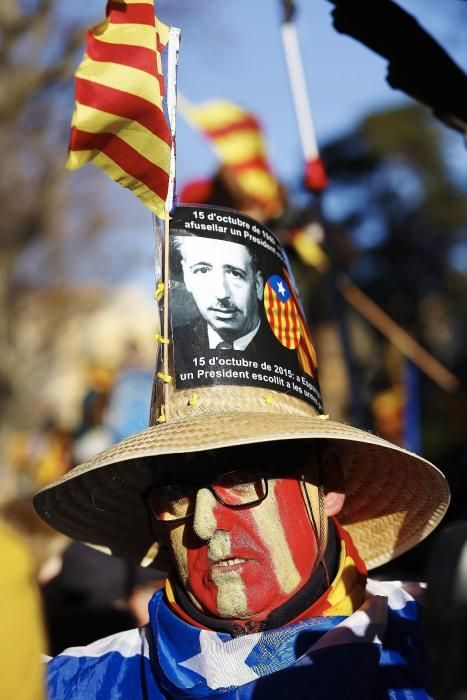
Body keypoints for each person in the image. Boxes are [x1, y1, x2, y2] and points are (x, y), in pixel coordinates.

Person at [35, 206, 450, 699]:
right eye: (176, 495)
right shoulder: (73, 685)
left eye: (239, 480)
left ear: (330, 486)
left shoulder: (437, 644)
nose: (204, 524)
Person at [175, 234, 264, 350]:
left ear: (258, 285)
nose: (221, 294)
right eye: (203, 270)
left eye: (235, 274)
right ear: (187, 277)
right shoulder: (173, 343)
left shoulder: (288, 353)